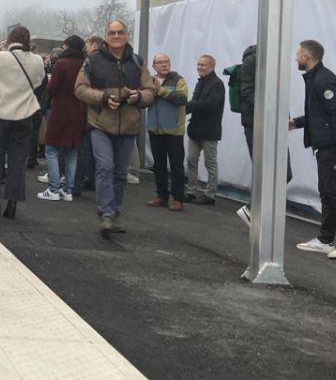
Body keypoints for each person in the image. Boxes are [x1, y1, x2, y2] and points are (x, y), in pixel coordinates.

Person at [75, 20, 155, 236]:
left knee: (120, 173)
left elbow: (150, 90)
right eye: (112, 33)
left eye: (120, 32)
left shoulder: (137, 62)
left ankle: (115, 212)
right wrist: (102, 98)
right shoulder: (92, 61)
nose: (116, 36)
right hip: (100, 124)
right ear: (106, 36)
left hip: (129, 126)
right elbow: (80, 89)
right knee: (105, 167)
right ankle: (106, 213)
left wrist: (139, 97)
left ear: (127, 36)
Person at [289, 40, 336, 259]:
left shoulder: (324, 80)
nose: (296, 58)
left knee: (333, 189)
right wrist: (297, 123)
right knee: (326, 191)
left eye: (298, 54)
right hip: (325, 144)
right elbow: (319, 114)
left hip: (332, 145)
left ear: (307, 56)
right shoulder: (314, 79)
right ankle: (326, 239)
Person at [0, 26, 45, 220]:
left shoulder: (1, 57)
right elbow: (39, 81)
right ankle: (12, 203)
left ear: (9, 39)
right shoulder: (37, 60)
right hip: (24, 114)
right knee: (18, 160)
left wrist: (2, 52)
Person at [236, 44, 293, 226]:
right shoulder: (252, 60)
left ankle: (256, 210)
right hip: (257, 123)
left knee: (284, 173)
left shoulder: (275, 62)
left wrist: (284, 116)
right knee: (266, 171)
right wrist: (273, 108)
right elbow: (247, 93)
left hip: (274, 122)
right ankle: (254, 210)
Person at [37, 36, 85, 202]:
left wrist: (43, 106)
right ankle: (68, 189)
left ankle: (53, 188)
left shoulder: (62, 64)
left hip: (60, 110)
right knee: (72, 150)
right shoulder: (85, 64)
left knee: (52, 149)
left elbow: (52, 88)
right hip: (79, 110)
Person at [145, 53, 189, 211]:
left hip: (173, 130)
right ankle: (161, 196)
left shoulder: (179, 80)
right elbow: (145, 101)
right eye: (160, 62)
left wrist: (161, 91)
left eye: (166, 62)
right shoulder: (149, 81)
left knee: (176, 165)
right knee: (159, 165)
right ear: (154, 66)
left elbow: (182, 99)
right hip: (154, 130)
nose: (164, 64)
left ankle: (178, 199)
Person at [185, 54, 225, 205]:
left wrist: (186, 106)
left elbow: (210, 106)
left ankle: (210, 194)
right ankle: (191, 191)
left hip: (209, 131)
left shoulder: (217, 84)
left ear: (212, 66)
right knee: (191, 160)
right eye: (198, 64)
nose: (199, 67)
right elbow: (196, 103)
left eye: (203, 65)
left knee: (210, 163)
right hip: (195, 129)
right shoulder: (199, 83)